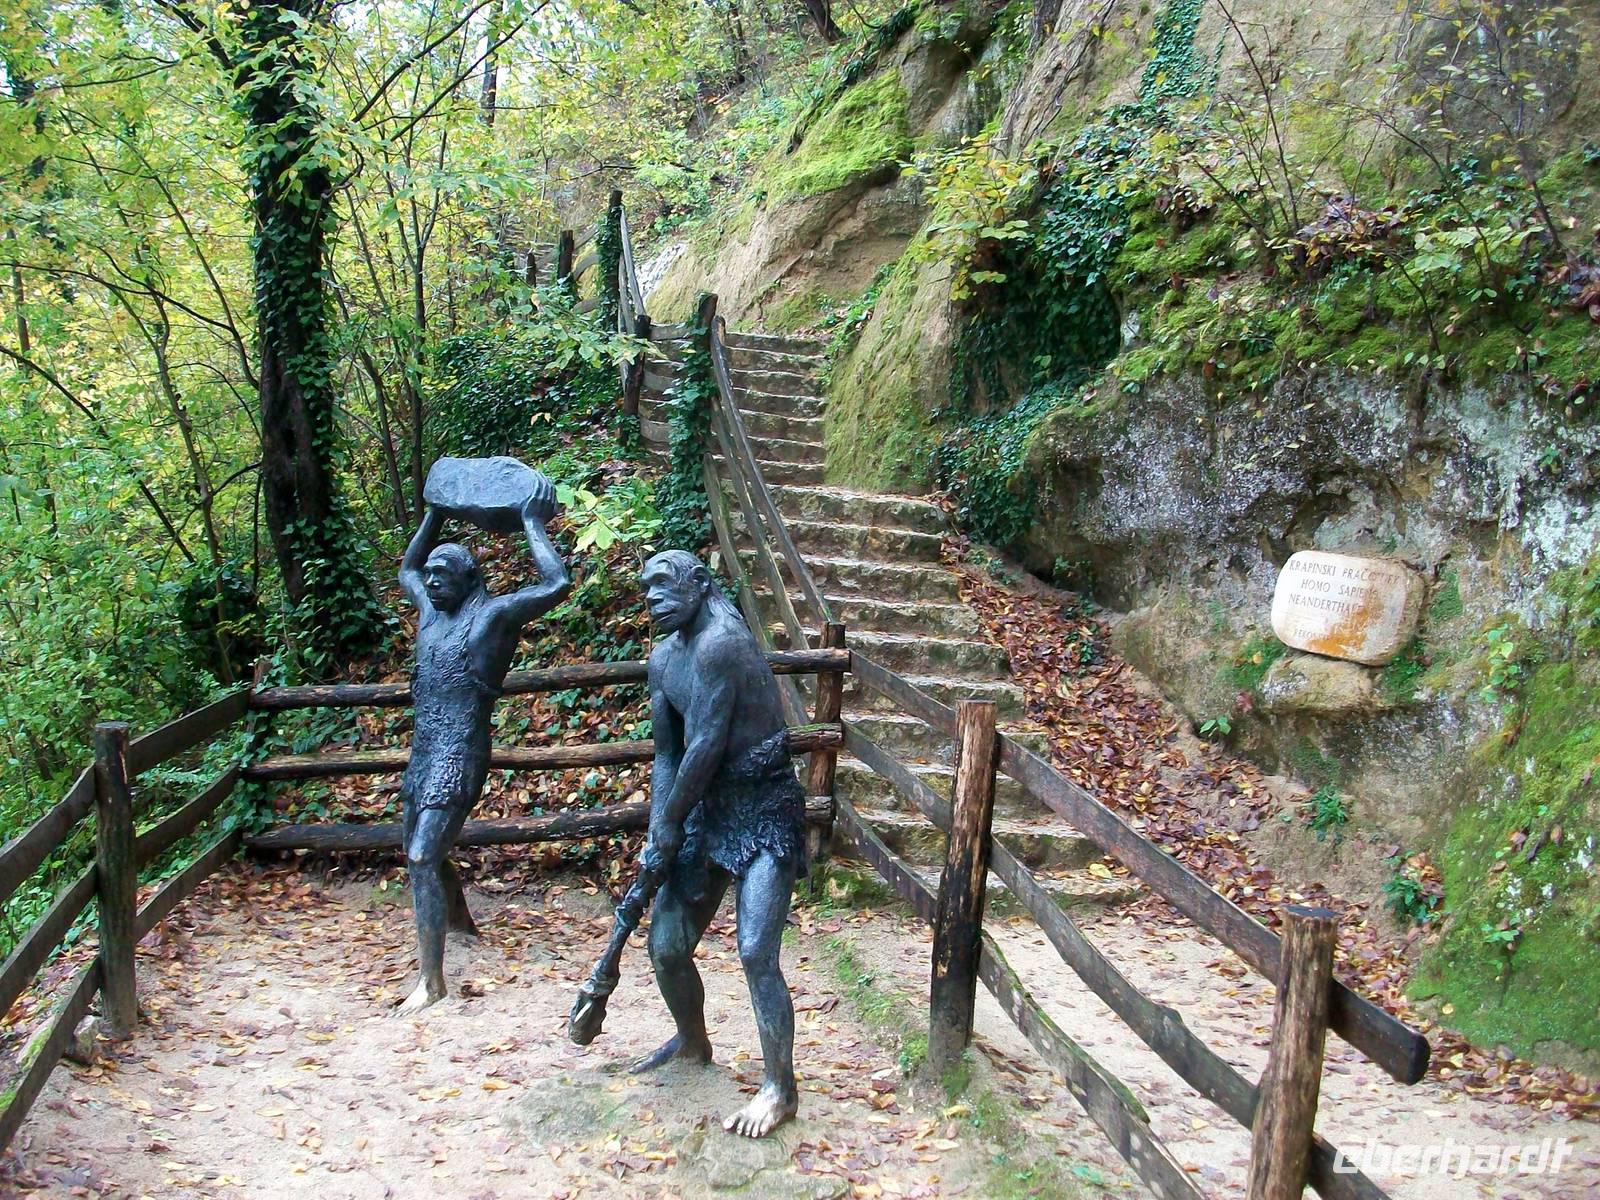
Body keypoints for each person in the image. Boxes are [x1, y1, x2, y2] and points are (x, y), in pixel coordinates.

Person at [634, 549, 807, 1139]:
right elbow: (668, 753)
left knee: (757, 950)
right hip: (706, 809)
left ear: (700, 584)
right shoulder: (663, 658)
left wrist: (672, 819)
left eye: (663, 584)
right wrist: (663, 824)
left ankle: (779, 1088)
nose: (652, 596)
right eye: (645, 588)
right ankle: (691, 1041)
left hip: (763, 806)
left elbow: (706, 744)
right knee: (666, 946)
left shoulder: (721, 644)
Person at [395, 477, 569, 1014]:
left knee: (423, 854)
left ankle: (432, 982)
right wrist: (435, 512)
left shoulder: (490, 617)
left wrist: (531, 522)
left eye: (443, 575)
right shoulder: (431, 613)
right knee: (420, 849)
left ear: (470, 578)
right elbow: (406, 570)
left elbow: (556, 583)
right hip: (424, 752)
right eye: (433, 576)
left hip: (459, 753)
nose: (432, 581)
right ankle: (460, 923)